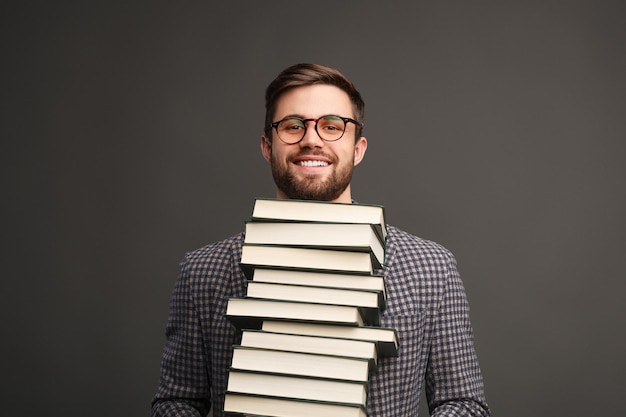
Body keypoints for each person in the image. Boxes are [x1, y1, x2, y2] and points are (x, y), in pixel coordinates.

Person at [152, 63, 490, 416]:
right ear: (268, 146)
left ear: (358, 149)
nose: (311, 139)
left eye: (331, 126)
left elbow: (462, 402)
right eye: (293, 126)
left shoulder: (431, 268)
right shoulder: (202, 272)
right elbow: (178, 401)